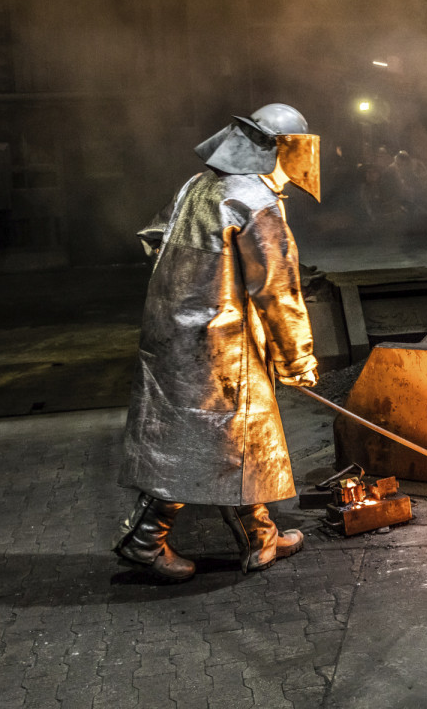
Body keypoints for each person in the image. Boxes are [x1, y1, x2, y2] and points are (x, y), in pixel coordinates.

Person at [114, 103, 322, 582]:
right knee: (209, 441)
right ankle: (144, 541)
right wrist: (298, 359)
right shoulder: (255, 201)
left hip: (172, 336)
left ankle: (260, 537)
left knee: (232, 442)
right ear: (277, 149)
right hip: (221, 348)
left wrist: (190, 288)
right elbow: (278, 290)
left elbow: (153, 238)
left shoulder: (196, 186)